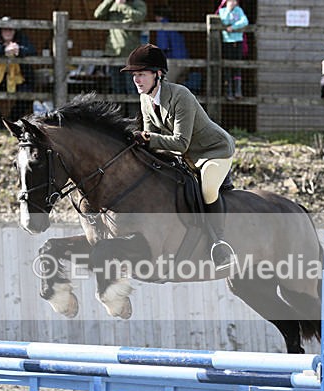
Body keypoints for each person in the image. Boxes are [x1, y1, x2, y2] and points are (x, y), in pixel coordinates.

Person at [123, 44, 236, 271]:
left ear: (158, 74)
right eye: (135, 75)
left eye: (142, 74)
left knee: (207, 190)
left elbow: (180, 142)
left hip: (213, 151)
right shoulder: (146, 99)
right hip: (185, 154)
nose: (137, 80)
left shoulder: (180, 95)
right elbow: (151, 138)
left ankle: (220, 245)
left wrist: (146, 138)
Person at [94, 0, 147, 114]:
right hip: (113, 53)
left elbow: (139, 17)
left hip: (131, 56)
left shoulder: (137, 4)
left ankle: (134, 121)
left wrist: (122, 6)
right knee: (117, 90)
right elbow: (98, 14)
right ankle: (119, 120)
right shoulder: (111, 4)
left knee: (132, 89)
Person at [217, 0, 249, 100]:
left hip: (237, 41)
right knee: (227, 67)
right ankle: (228, 92)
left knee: (237, 66)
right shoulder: (222, 11)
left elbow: (245, 21)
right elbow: (224, 21)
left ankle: (238, 91)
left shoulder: (239, 10)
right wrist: (228, 10)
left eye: (234, 1)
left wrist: (233, 27)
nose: (232, 2)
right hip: (227, 41)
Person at [153, 6, 189, 85]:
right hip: (186, 61)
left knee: (167, 87)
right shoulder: (175, 24)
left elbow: (163, 46)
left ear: (158, 16)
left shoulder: (162, 26)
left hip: (173, 62)